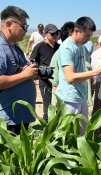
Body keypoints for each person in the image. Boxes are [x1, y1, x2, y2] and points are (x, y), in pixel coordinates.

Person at [56, 17, 101, 134]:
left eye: (90, 36)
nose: (88, 39)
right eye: (86, 36)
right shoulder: (67, 48)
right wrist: (96, 72)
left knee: (82, 134)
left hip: (80, 96)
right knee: (68, 135)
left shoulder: (80, 46)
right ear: (76, 31)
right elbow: (70, 77)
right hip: (69, 98)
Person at [0, 6, 39, 134]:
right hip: (9, 120)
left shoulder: (13, 44)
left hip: (19, 118)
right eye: (24, 27)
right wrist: (25, 75)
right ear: (9, 24)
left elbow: (19, 70)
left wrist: (30, 71)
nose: (25, 31)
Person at [30, 24, 60, 120]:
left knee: (59, 108)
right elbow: (32, 62)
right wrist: (41, 71)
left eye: (57, 33)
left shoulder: (60, 47)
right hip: (45, 82)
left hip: (59, 82)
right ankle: (46, 131)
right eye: (52, 34)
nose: (55, 35)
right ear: (46, 34)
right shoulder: (39, 46)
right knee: (48, 109)